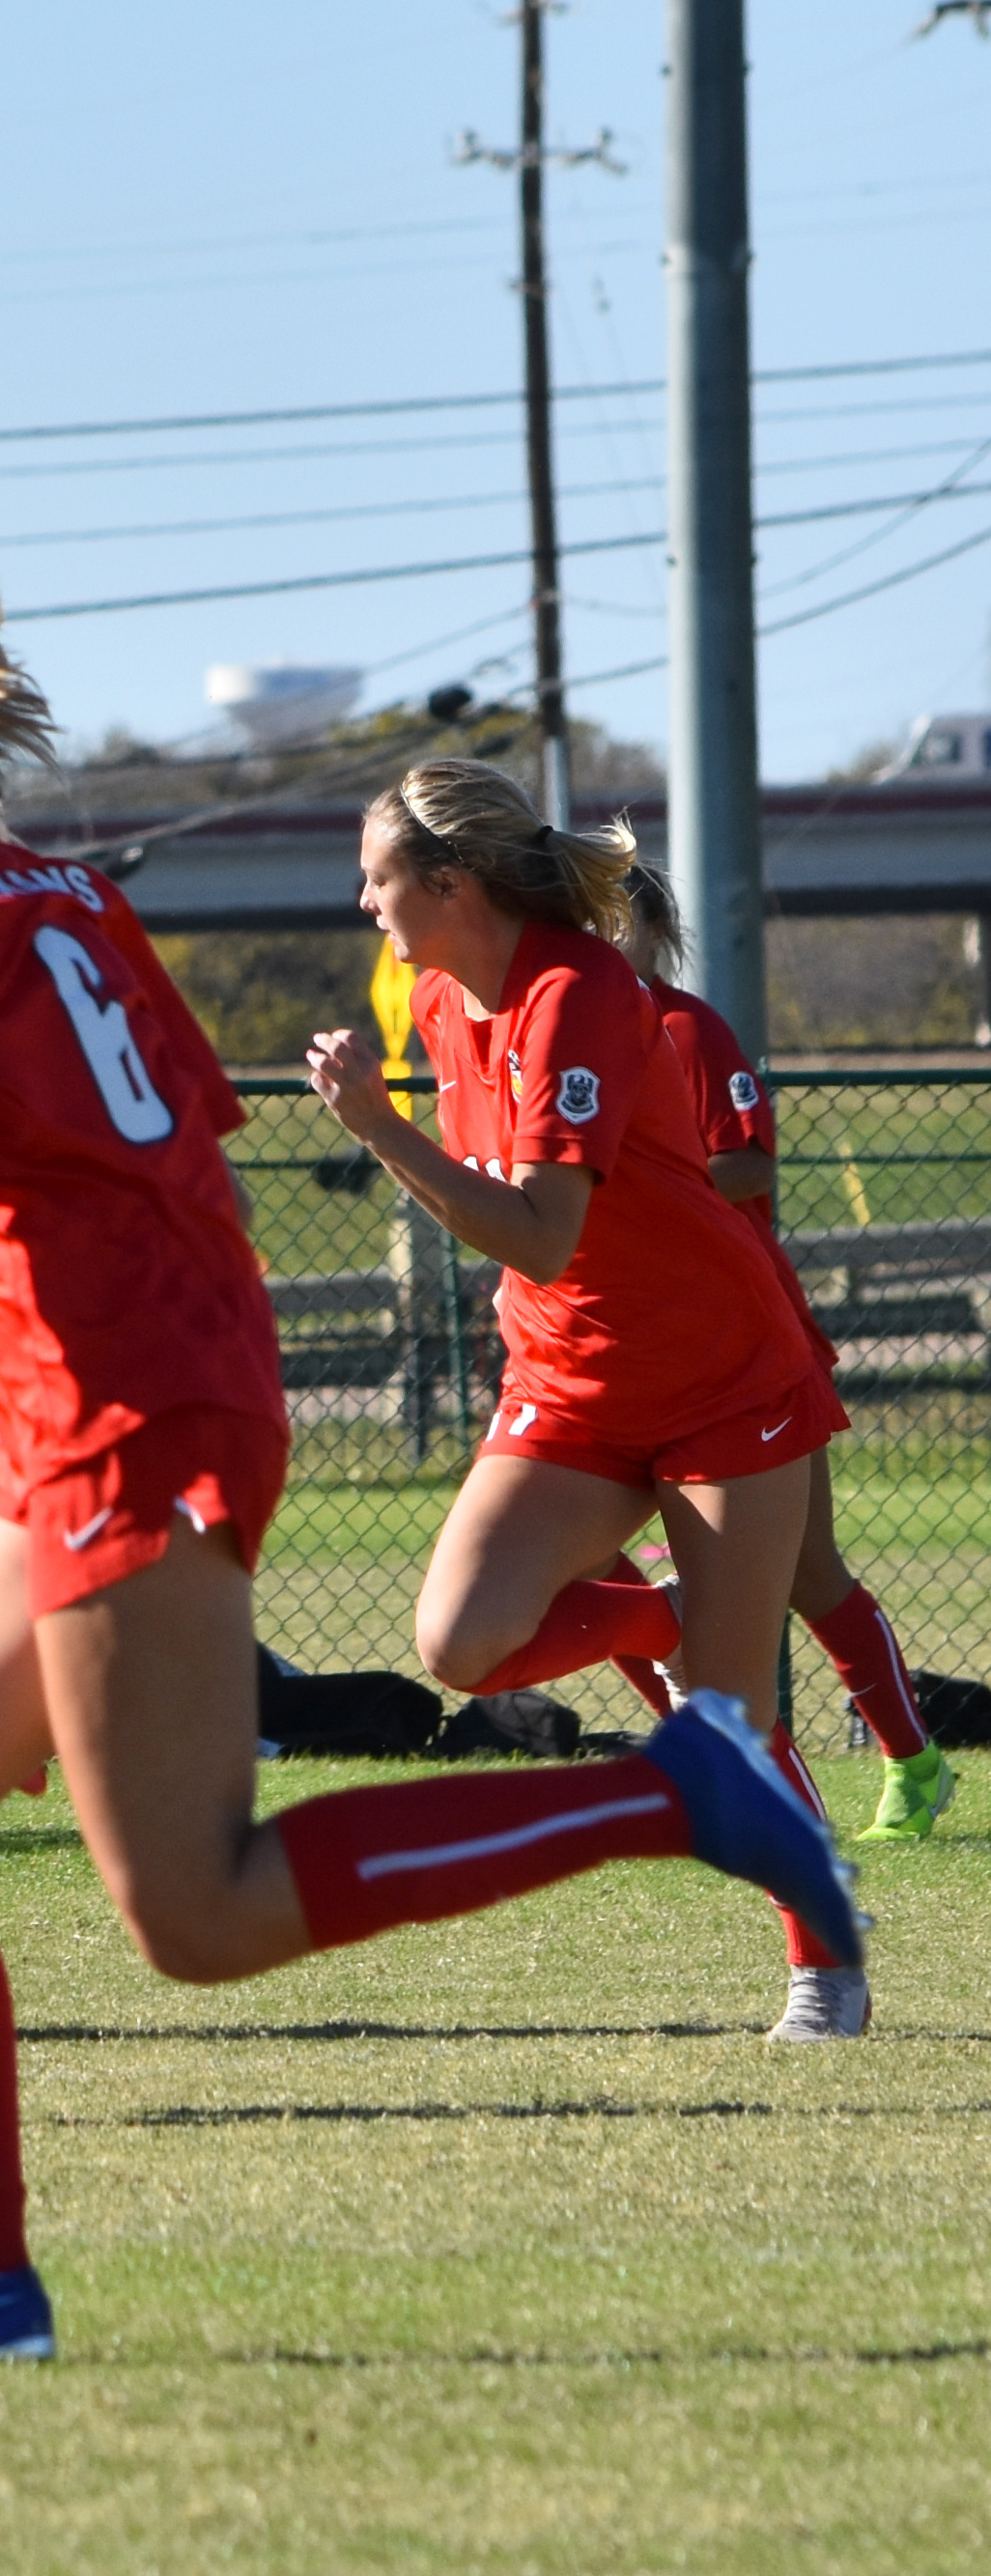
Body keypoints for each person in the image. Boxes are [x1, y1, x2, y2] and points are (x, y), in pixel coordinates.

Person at [0, 575, 851, 2362]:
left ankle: (674, 1789)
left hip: (112, 1408)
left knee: (198, 1908)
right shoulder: (59, 889)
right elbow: (172, 1158)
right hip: (147, 1382)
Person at [310, 761, 866, 2044]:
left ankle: (824, 1963)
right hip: (569, 1384)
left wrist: (375, 1128)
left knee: (728, 1729)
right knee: (459, 1641)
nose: (361, 899)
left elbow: (543, 1234)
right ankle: (686, 1609)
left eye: (375, 875)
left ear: (448, 883)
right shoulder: (447, 998)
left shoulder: (579, 991)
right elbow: (544, 1263)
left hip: (719, 1373)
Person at [600, 872, 954, 1854]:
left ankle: (912, 1762)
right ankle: (704, 1751)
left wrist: (636, 1187)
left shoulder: (684, 1030)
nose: (597, 939)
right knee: (574, 1552)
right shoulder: (554, 1032)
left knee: (807, 1574)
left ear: (654, 930)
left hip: (740, 1344)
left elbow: (750, 1160)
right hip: (616, 1352)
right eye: (578, 924)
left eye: (614, 921)